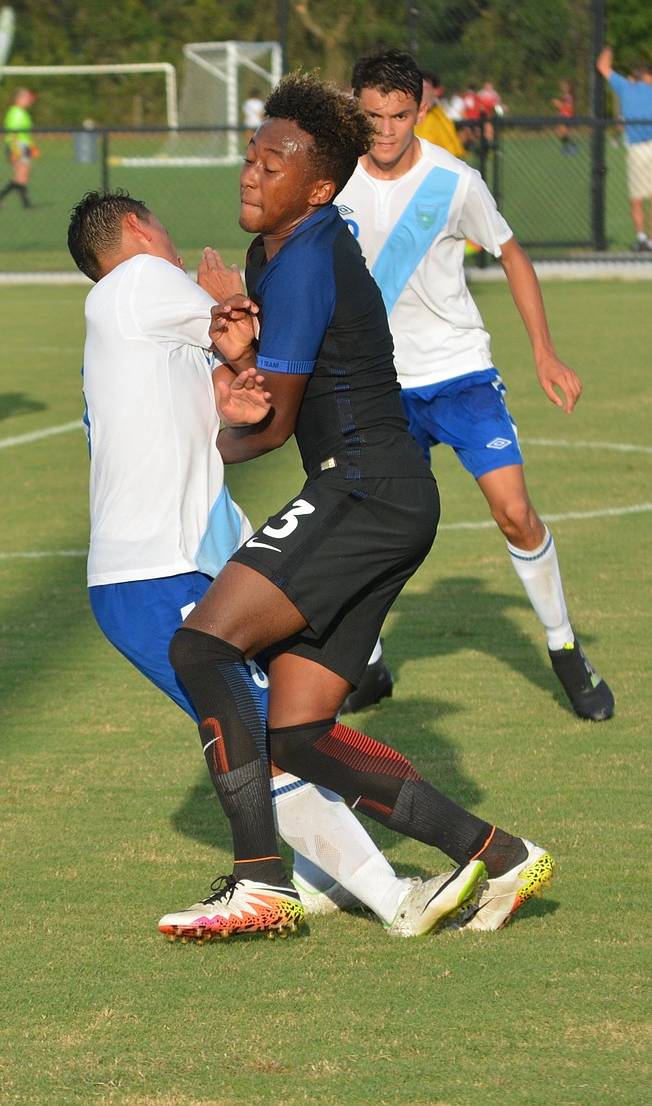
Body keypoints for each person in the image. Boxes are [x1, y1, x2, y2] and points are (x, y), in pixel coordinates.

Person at [159, 73, 553, 941]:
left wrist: (188, 445)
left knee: (200, 645)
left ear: (320, 187)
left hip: (363, 489)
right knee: (299, 733)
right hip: (380, 493)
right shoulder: (282, 250)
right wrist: (242, 336)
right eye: (251, 156)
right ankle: (499, 852)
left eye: (273, 164)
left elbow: (269, 429)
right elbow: (287, 377)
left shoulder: (303, 259)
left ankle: (261, 881)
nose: (250, 174)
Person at [67, 188, 488, 938]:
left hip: (170, 561)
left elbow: (231, 409)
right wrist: (232, 298)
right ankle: (392, 897)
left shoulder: (127, 329)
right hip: (155, 569)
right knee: (275, 733)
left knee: (276, 728)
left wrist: (228, 390)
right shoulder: (138, 282)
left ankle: (323, 880)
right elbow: (252, 325)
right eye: (161, 226)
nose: (172, 243)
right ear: (137, 226)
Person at [337, 49, 614, 724]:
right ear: (355, 110)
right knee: (370, 527)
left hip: (459, 374)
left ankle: (564, 647)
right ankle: (366, 661)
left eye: (400, 115)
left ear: (422, 109)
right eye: (372, 116)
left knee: (514, 511)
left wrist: (544, 355)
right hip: (378, 385)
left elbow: (512, 254)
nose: (387, 129)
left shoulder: (453, 181)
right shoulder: (332, 179)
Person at [596, 48, 652, 252]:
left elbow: (602, 66)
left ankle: (641, 238)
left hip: (637, 150)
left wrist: (609, 48)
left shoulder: (626, 87)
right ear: (647, 76)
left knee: (637, 198)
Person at [0, 88, 39, 210]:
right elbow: (14, 132)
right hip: (17, 146)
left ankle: (2, 196)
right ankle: (22, 202)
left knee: (22, 175)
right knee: (22, 175)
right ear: (20, 99)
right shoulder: (16, 112)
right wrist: (15, 149)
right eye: (27, 99)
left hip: (23, 145)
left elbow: (25, 133)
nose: (30, 101)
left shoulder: (21, 112)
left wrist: (32, 146)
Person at [415, 71, 467, 160]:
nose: (422, 92)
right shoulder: (407, 117)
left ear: (435, 91)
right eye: (418, 88)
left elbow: (453, 152)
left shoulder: (440, 119)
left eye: (425, 88)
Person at [551, 79, 577, 154]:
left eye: (564, 85)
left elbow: (570, 107)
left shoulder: (568, 96)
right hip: (563, 116)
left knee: (562, 133)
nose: (562, 87)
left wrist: (559, 104)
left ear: (568, 87)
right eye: (562, 85)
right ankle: (569, 147)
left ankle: (571, 147)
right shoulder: (564, 95)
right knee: (561, 133)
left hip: (567, 116)